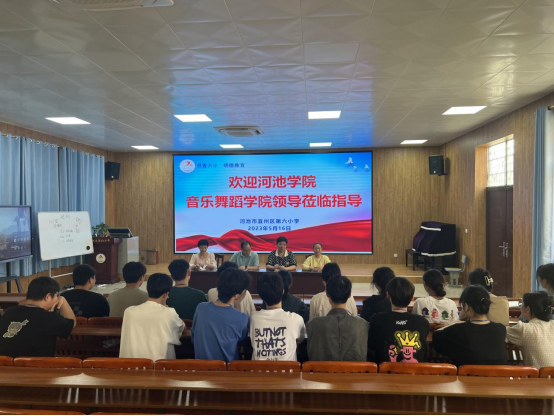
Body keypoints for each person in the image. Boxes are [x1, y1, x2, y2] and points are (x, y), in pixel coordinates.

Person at [0, 277, 75, 358]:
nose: (57, 299)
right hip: (38, 365)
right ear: (48, 297)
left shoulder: (8, 313)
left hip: (4, 364)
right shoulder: (51, 318)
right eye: (56, 295)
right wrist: (63, 300)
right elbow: (72, 323)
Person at [433, 285, 507, 367]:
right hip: (497, 375)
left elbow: (436, 339)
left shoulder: (457, 330)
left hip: (464, 375)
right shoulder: (501, 329)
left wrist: (451, 324)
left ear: (467, 307)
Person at [120, 273, 185, 361]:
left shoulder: (129, 312)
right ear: (166, 294)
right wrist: (165, 306)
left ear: (148, 289)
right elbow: (181, 328)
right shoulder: (169, 313)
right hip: (159, 366)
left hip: (131, 366)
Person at [192, 268, 251, 362]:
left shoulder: (200, 308)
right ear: (238, 294)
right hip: (228, 369)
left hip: (201, 368)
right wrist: (238, 304)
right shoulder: (241, 318)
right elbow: (241, 342)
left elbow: (193, 337)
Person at [368, 277, 430, 364]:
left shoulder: (377, 319)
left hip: (383, 372)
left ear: (388, 295)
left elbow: (371, 346)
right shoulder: (423, 322)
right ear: (412, 298)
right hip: (414, 372)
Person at [307, 276, 368, 361]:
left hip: (322, 370)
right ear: (349, 295)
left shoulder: (314, 324)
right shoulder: (363, 324)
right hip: (354, 370)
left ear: (327, 294)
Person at [250, 272, 306, 361]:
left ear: (260, 296)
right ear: (282, 291)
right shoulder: (296, 319)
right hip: (288, 370)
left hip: (258, 370)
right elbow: (300, 339)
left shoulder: (253, 318)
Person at [506, 292, 554, 369]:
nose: (520, 306)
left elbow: (499, 332)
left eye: (521, 304)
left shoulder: (523, 329)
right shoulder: (552, 324)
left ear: (528, 309)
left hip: (537, 376)